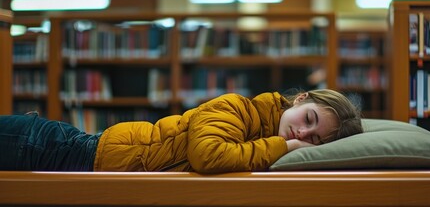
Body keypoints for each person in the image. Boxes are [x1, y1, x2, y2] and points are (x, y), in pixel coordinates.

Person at [0, 88, 363, 174]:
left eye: (314, 139)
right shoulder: (236, 107)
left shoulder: (258, 141)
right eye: (309, 120)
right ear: (299, 100)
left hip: (85, 159)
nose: (301, 134)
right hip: (58, 149)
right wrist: (281, 147)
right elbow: (207, 156)